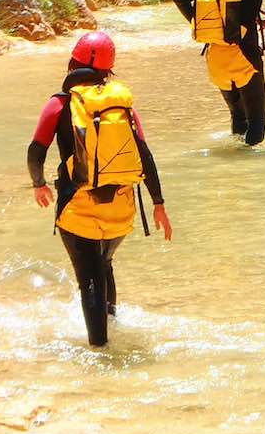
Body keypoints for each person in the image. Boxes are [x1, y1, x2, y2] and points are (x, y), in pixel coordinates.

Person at [28, 31, 172, 347]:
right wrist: (158, 203)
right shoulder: (122, 106)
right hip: (121, 208)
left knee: (89, 278)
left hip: (78, 207)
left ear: (73, 62)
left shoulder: (60, 104)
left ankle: (100, 351)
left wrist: (38, 184)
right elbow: (144, 154)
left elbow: (36, 150)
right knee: (103, 263)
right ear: (109, 69)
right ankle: (112, 324)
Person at [174, 0, 265, 145]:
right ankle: (253, 161)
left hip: (215, 57)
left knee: (239, 117)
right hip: (243, 57)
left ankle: (236, 156)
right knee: (256, 122)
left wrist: (196, 23)